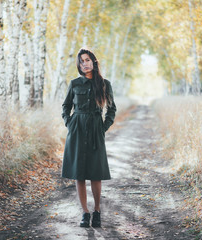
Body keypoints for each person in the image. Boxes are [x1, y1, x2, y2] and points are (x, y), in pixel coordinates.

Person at [61, 48, 117, 228]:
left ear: (93, 61)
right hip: (76, 128)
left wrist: (103, 127)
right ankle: (85, 212)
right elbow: (66, 106)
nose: (84, 63)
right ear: (79, 65)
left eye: (87, 60)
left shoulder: (104, 84)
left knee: (95, 173)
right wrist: (69, 123)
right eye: (81, 61)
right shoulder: (75, 84)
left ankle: (97, 210)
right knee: (79, 174)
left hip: (95, 129)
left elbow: (111, 109)